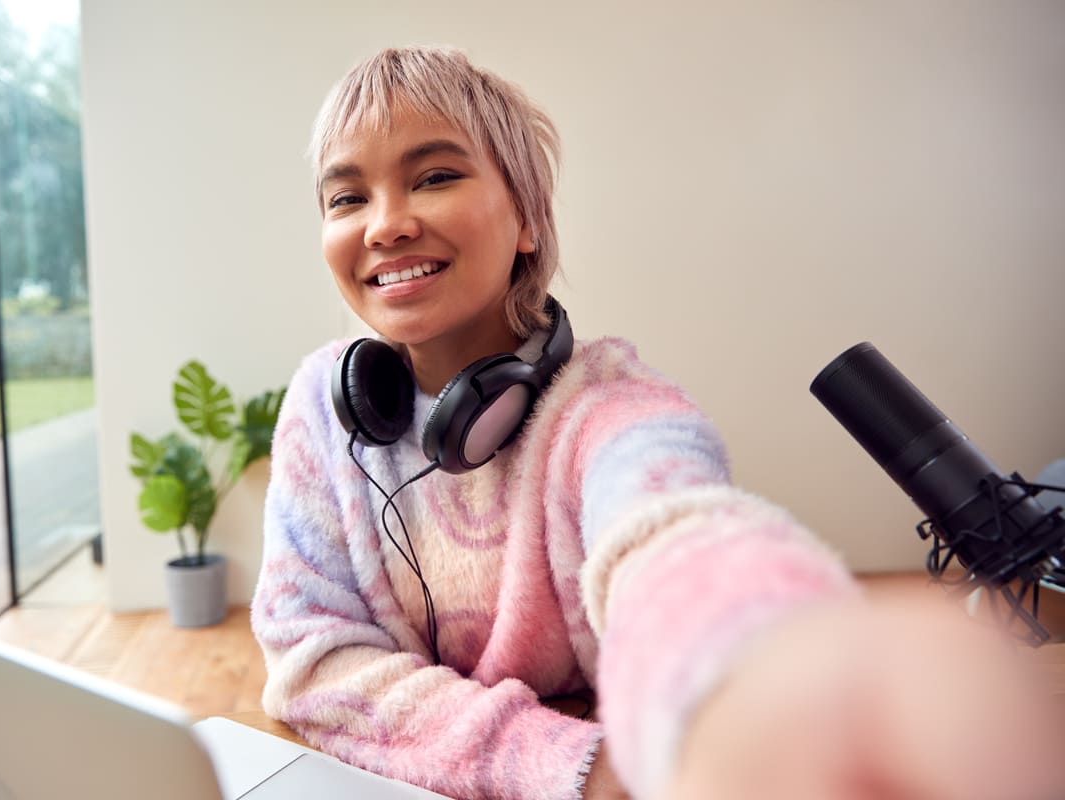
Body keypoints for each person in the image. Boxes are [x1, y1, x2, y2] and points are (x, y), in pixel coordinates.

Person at [251, 45, 1061, 800]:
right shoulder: (324, 410)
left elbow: (677, 542)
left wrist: (754, 674)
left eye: (433, 177)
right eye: (348, 196)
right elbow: (308, 656)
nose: (385, 223)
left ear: (527, 218)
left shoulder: (609, 409)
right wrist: (559, 757)